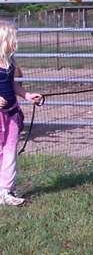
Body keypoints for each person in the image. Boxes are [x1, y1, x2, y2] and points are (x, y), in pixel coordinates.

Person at [0, 20, 43, 206]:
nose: (15, 43)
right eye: (13, 39)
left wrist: (27, 95)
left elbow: (12, 84)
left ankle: (6, 190)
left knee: (10, 152)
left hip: (11, 113)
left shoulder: (10, 62)